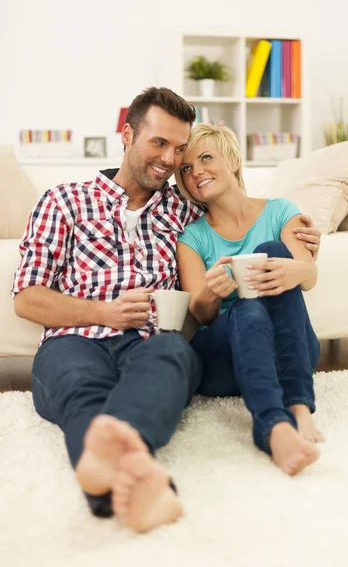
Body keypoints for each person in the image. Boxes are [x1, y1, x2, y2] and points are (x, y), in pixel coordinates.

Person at [12, 88, 322, 533]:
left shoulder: (184, 210)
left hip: (155, 342)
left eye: (180, 149)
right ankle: (132, 482)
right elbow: (26, 297)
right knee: (83, 390)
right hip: (74, 340)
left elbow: (242, 223)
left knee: (174, 360)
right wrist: (105, 312)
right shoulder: (64, 201)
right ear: (127, 135)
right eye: (159, 143)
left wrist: (306, 249)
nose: (172, 160)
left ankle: (119, 473)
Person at [176, 123, 324, 477]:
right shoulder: (191, 237)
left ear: (233, 159)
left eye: (206, 157)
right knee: (246, 307)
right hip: (228, 358)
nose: (196, 171)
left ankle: (299, 407)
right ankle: (275, 427)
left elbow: (309, 273)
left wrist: (293, 270)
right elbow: (200, 311)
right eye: (186, 168)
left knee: (273, 250)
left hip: (288, 349)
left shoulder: (280, 211)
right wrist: (212, 292)